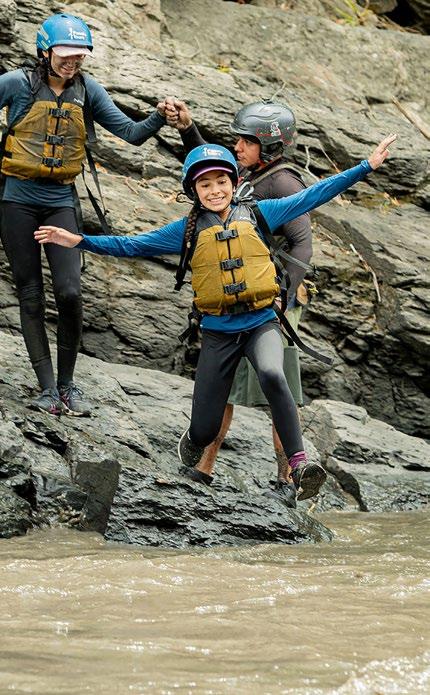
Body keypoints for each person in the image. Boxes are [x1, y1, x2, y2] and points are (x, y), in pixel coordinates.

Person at [34, 136, 396, 503]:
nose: (215, 190)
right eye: (205, 185)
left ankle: (299, 467)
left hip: (261, 323)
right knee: (204, 429)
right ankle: (195, 438)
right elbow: (132, 244)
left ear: (234, 183)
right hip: (218, 333)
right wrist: (79, 240)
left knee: (273, 373)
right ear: (194, 190)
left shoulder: (261, 213)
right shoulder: (186, 231)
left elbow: (314, 195)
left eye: (222, 181)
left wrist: (365, 166)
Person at [0, 12, 172, 416]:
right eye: (65, 55)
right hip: (15, 200)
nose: (72, 62)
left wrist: (160, 117)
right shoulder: (16, 83)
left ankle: (67, 385)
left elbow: (131, 134)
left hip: (60, 201)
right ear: (45, 51)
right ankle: (47, 390)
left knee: (70, 292)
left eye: (79, 55)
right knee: (30, 293)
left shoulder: (87, 90)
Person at [163, 99, 313, 506]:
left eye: (246, 141)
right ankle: (203, 468)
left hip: (273, 303)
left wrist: (282, 299)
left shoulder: (283, 183)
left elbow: (302, 243)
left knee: (278, 385)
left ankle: (289, 478)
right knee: (224, 388)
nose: (237, 146)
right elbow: (209, 167)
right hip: (235, 302)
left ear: (269, 146)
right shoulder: (247, 174)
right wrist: (188, 129)